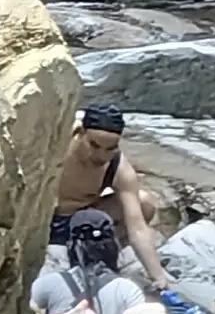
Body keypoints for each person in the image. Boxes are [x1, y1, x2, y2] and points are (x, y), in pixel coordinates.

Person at [53, 107, 162, 279]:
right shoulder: (57, 146)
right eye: (94, 146)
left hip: (81, 224)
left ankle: (101, 256)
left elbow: (138, 228)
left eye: (110, 149)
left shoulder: (118, 167)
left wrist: (158, 277)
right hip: (43, 221)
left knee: (143, 204)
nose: (101, 155)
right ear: (80, 133)